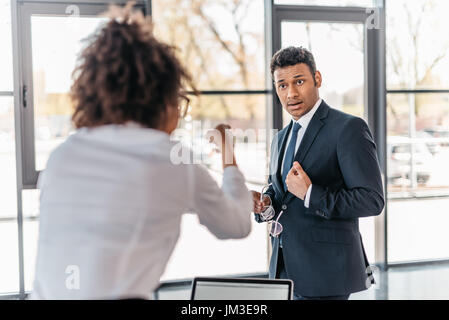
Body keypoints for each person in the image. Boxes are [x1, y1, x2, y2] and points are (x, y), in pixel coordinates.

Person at [30, 4, 252, 300]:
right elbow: (236, 225)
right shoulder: (172, 162)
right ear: (162, 100)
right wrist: (228, 155)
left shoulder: (61, 157)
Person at [251, 46, 385, 300]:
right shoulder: (279, 139)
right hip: (284, 271)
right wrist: (265, 204)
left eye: (299, 81)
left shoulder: (348, 128)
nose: (291, 93)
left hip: (327, 274)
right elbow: (282, 195)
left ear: (317, 79)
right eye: (282, 85)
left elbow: (372, 200)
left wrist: (311, 193)